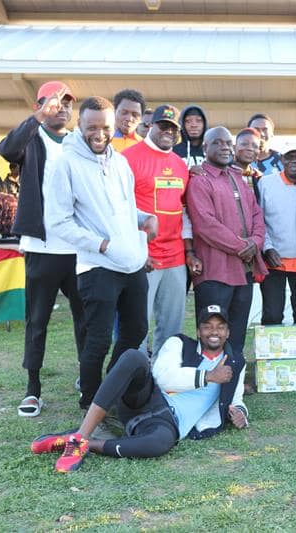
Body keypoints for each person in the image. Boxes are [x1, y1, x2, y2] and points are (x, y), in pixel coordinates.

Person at [30, 304, 248, 473]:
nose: (214, 331)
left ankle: (87, 444)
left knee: (160, 444)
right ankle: (81, 436)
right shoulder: (179, 343)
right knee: (134, 357)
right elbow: (162, 377)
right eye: (207, 326)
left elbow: (236, 399)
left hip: (169, 423)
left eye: (220, 327)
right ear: (199, 331)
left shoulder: (235, 362)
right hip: (148, 398)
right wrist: (208, 376)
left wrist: (239, 413)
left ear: (228, 332)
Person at [43, 95, 158, 410]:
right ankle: (90, 402)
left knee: (137, 330)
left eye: (105, 127)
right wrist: (101, 244)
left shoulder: (119, 162)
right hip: (97, 266)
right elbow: (57, 222)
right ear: (79, 125)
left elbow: (124, 209)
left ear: (113, 125)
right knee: (99, 338)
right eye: (91, 127)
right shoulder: (66, 163)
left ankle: (111, 389)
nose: (99, 133)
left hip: (131, 263)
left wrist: (145, 218)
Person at [0, 80, 86, 418]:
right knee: (37, 320)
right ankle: (33, 389)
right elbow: (7, 149)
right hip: (41, 245)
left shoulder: (79, 141)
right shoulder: (31, 138)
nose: (62, 108)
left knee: (85, 318)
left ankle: (87, 376)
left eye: (67, 103)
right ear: (40, 106)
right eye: (55, 103)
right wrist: (37, 117)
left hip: (78, 247)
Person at [186, 126, 268, 360]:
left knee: (237, 330)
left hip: (244, 270)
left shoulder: (238, 177)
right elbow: (205, 224)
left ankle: (234, 374)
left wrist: (256, 242)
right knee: (212, 332)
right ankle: (210, 376)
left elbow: (256, 214)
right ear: (205, 148)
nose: (224, 147)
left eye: (227, 143)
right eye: (217, 143)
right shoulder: (199, 180)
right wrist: (243, 247)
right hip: (215, 271)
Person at [122, 104, 191, 356]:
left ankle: (163, 371)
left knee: (172, 325)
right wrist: (137, 251)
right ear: (150, 125)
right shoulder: (128, 158)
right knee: (138, 324)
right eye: (163, 126)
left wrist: (188, 251)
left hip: (175, 257)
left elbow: (184, 209)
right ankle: (137, 373)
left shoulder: (180, 164)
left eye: (173, 128)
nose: (168, 132)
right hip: (143, 256)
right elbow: (119, 208)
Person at [258, 141, 296, 362]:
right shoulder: (266, 183)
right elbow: (258, 221)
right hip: (273, 258)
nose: (294, 161)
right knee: (272, 312)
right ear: (281, 159)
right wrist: (267, 247)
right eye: (289, 156)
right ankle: (269, 355)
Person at [232, 128, 264, 201]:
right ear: (234, 147)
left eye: (255, 146)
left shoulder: (259, 177)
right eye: (244, 144)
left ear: (258, 151)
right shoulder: (223, 174)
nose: (250, 148)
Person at [174, 105, 208, 169]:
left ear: (204, 124)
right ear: (182, 125)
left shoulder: (212, 151)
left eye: (198, 121)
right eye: (188, 121)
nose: (194, 125)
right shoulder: (174, 152)